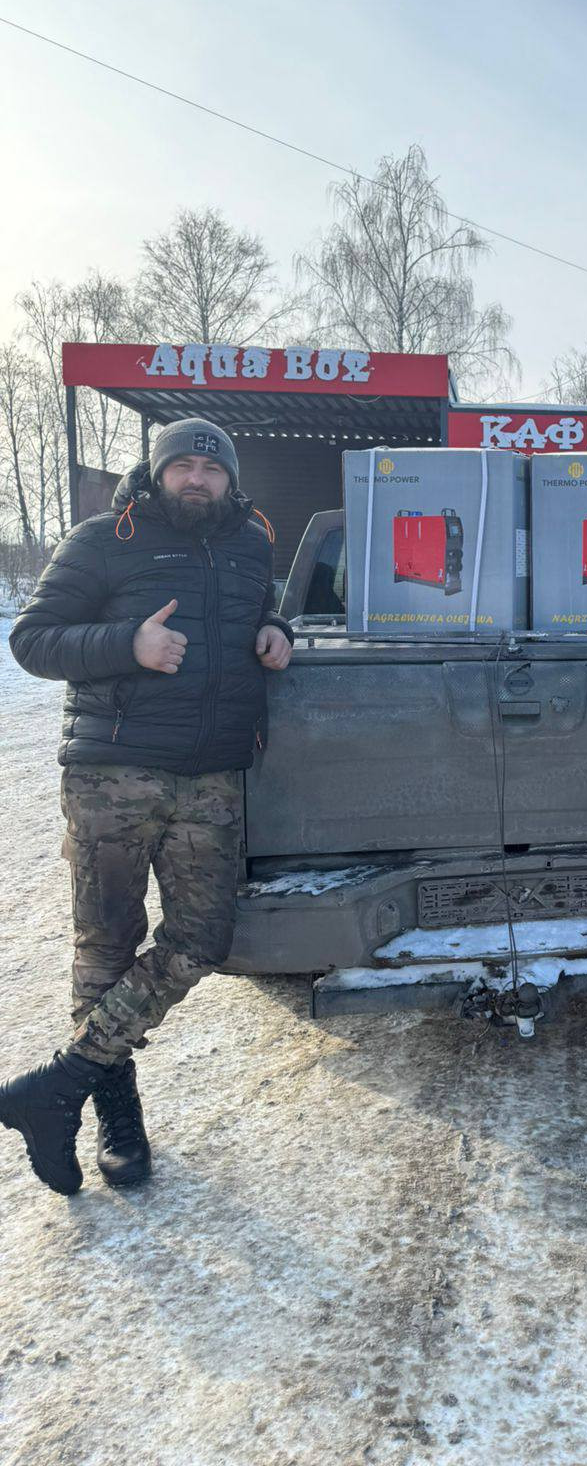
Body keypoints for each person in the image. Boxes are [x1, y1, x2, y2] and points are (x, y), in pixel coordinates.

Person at [0, 418, 293, 1195]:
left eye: (212, 468)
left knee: (203, 940)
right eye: (182, 466)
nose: (197, 478)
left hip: (212, 776)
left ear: (230, 480)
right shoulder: (103, 539)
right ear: (157, 472)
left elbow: (263, 606)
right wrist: (127, 644)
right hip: (114, 773)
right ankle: (116, 1115)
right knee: (107, 946)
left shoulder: (250, 544)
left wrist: (275, 628)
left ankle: (60, 1085)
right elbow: (32, 639)